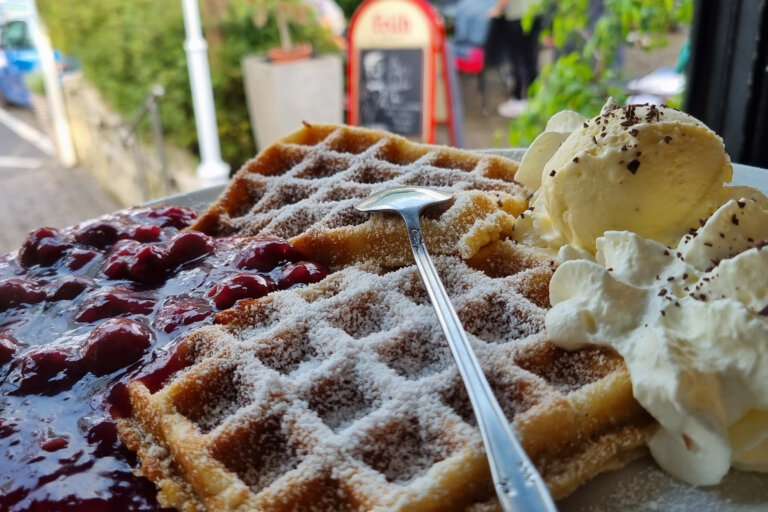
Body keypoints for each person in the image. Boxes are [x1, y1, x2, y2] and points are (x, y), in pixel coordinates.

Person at [488, 0, 542, 118]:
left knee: (517, 59)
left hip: (518, 16)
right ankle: (532, 101)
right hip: (536, 12)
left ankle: (518, 100)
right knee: (531, 59)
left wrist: (498, 9)